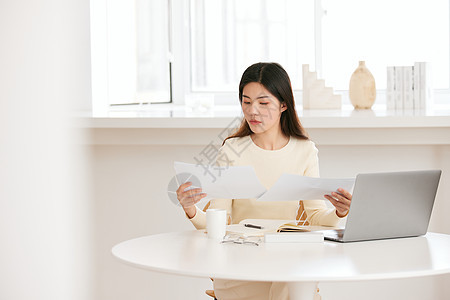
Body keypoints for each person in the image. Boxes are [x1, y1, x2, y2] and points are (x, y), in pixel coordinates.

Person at [176, 62, 352, 300]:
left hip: (287, 263)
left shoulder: (305, 150)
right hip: (242, 263)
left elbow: (316, 218)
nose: (252, 111)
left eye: (263, 102)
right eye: (246, 102)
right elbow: (218, 222)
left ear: (283, 104)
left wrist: (340, 213)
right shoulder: (233, 150)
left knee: (293, 284)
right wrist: (190, 209)